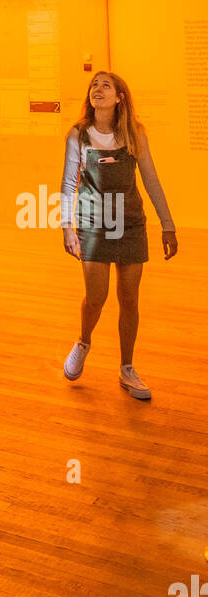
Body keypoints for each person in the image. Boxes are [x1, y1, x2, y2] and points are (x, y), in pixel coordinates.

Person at [60, 70, 178, 401]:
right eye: (93, 85)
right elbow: (69, 182)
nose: (98, 89)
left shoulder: (135, 133)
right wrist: (67, 227)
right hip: (93, 224)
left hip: (131, 224)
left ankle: (127, 368)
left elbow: (151, 181)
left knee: (129, 299)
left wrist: (167, 224)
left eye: (105, 85)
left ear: (119, 97)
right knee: (96, 298)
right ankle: (84, 342)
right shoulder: (78, 135)